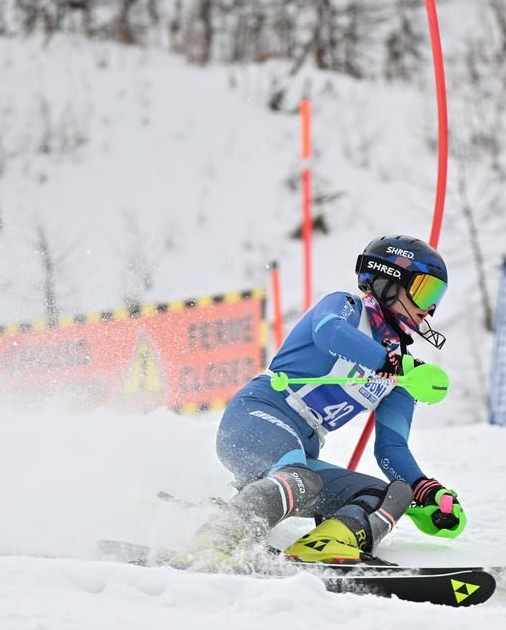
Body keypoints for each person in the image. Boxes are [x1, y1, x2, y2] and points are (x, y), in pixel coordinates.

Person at [180, 234, 467, 569]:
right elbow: (328, 333)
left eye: (437, 297)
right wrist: (390, 363)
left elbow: (391, 448)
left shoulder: (404, 370)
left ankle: (325, 545)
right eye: (425, 291)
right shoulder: (347, 308)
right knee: (300, 479)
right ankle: (219, 536)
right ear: (388, 282)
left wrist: (425, 490)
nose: (429, 308)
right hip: (257, 417)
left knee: (387, 495)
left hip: (299, 457)